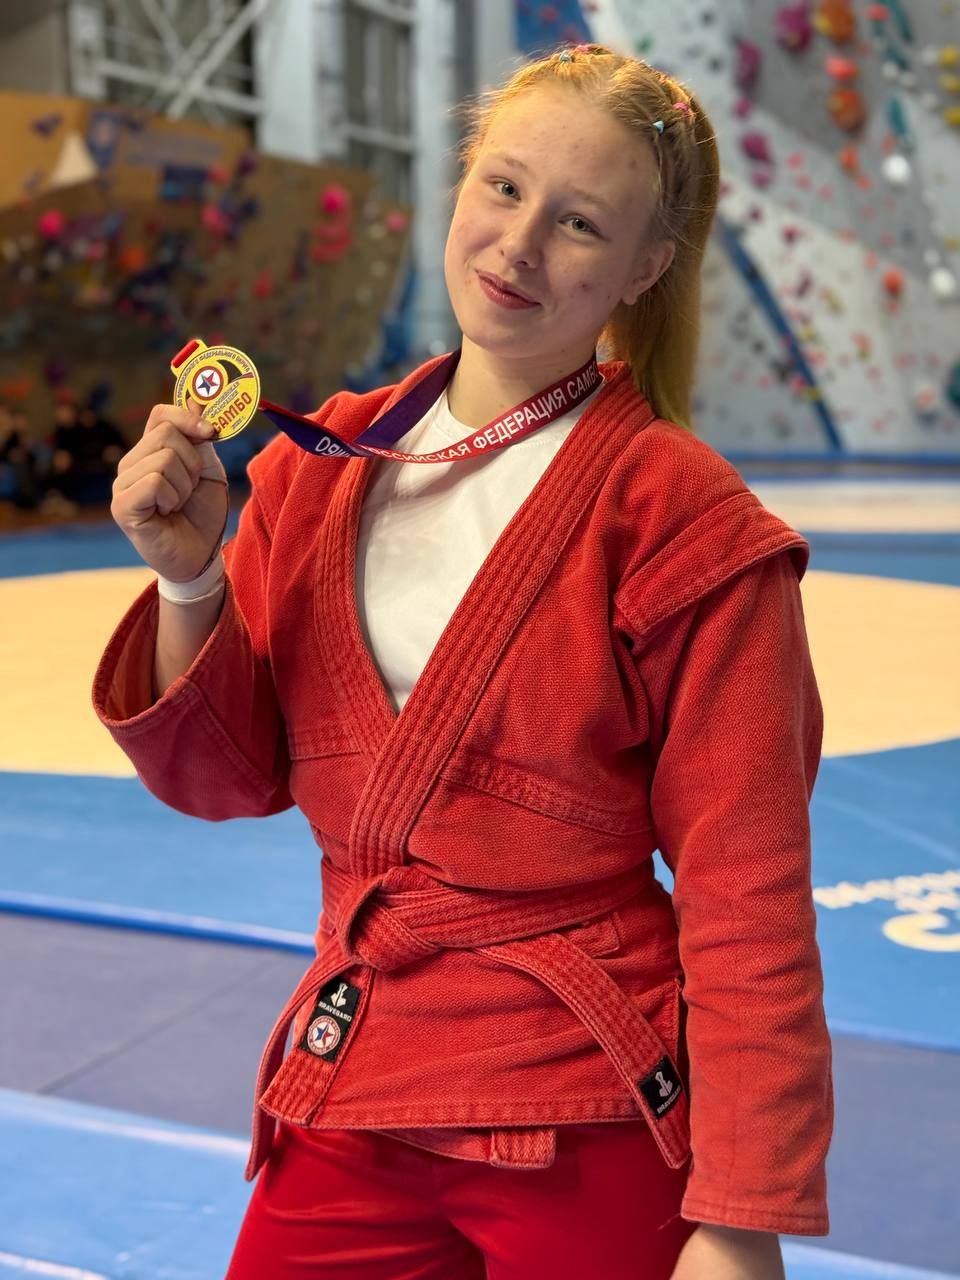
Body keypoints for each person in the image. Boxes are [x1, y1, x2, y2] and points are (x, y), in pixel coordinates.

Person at [95, 44, 832, 1280]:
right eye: (504, 186)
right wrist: (188, 579)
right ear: (462, 182)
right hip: (358, 1071)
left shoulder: (681, 518)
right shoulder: (320, 463)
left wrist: (742, 1210)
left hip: (585, 1097)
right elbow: (225, 778)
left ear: (646, 267)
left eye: (579, 221)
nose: (519, 245)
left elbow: (746, 888)